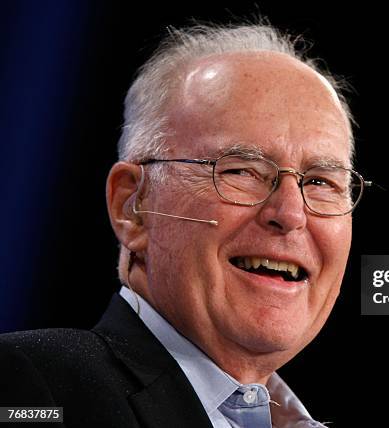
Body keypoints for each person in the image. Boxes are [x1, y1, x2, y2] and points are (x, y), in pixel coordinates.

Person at [0, 22, 369, 427]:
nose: (291, 214)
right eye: (241, 171)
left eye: (320, 182)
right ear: (133, 206)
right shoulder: (35, 390)